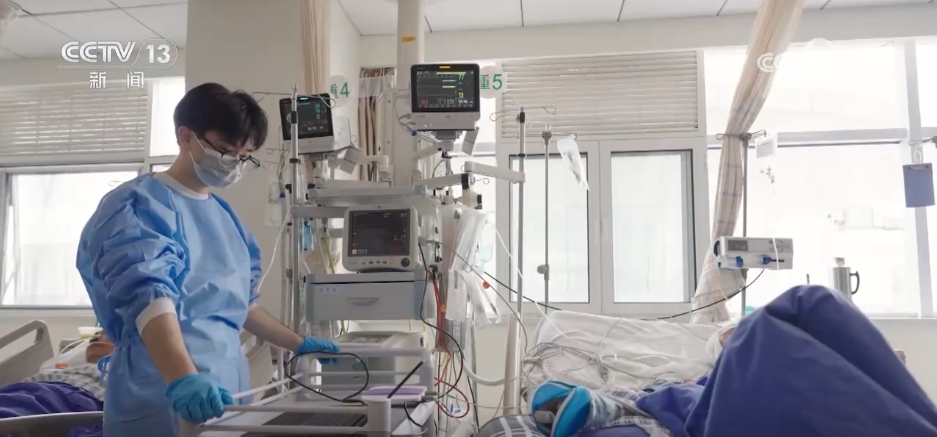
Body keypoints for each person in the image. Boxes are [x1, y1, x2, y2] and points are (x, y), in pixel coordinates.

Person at [76, 82, 339, 437]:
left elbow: (242, 306)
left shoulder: (224, 217)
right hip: (161, 388)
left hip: (228, 390)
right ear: (186, 136)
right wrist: (183, 378)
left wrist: (298, 343)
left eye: (245, 156)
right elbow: (150, 303)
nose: (235, 164)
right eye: (227, 151)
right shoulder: (138, 205)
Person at [0, 331, 113, 437]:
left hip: (71, 398)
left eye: (105, 332)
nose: (95, 338)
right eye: (94, 337)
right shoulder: (69, 369)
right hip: (24, 390)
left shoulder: (119, 374)